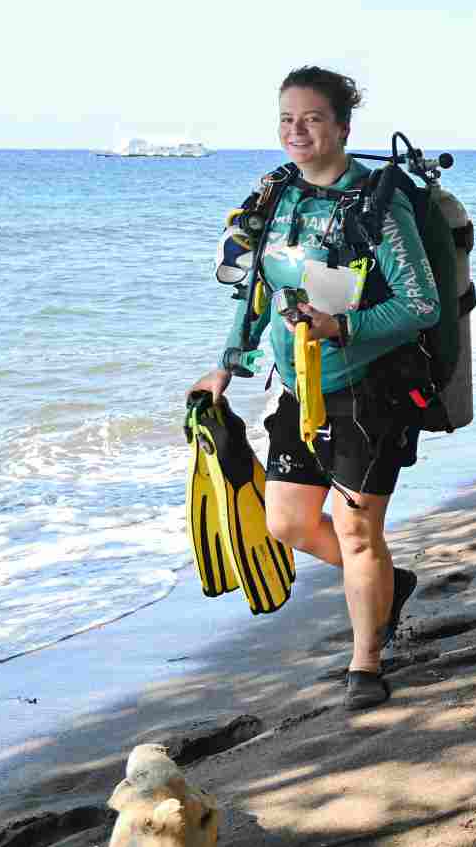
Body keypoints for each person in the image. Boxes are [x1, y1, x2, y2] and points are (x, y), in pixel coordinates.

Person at [189, 66, 440, 711]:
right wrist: (228, 362)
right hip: (296, 390)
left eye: (312, 119)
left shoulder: (378, 206)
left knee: (357, 535)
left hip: (368, 393)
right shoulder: (275, 198)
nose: (296, 131)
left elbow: (422, 304)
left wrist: (343, 325)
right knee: (288, 522)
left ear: (343, 128)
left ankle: (365, 661)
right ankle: (386, 582)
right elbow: (256, 289)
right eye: (286, 119)